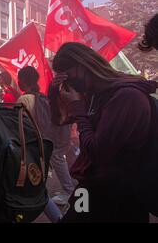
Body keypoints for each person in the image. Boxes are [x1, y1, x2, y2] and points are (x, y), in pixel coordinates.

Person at [51, 42, 158, 223]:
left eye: (68, 75)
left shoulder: (126, 97)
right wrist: (55, 92)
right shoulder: (95, 95)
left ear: (83, 65)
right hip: (90, 188)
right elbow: (60, 120)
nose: (68, 82)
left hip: (116, 195)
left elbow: (98, 152)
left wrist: (77, 107)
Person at [16, 66, 76, 221]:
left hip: (33, 148)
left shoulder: (24, 100)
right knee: (38, 186)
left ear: (22, 81)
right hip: (46, 143)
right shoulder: (41, 97)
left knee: (35, 188)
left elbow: (20, 127)